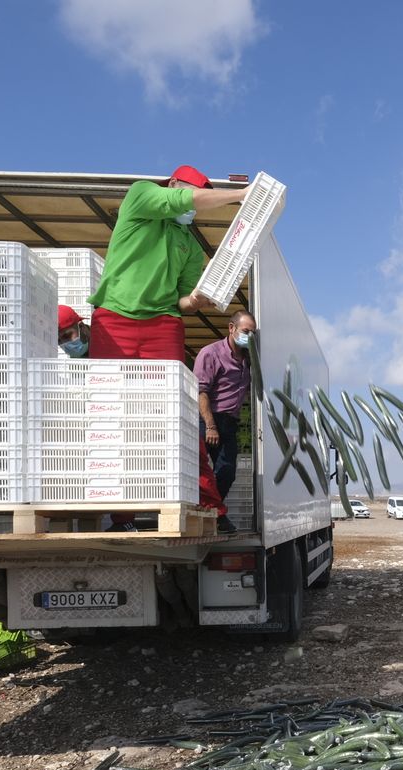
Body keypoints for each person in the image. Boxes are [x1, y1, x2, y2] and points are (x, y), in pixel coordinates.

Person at [88, 165, 242, 526]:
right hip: (114, 318)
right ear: (173, 185)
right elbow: (185, 200)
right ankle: (121, 514)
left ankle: (210, 506)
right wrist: (242, 195)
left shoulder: (190, 246)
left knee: (176, 417)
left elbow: (182, 301)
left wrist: (199, 299)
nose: (194, 208)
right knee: (111, 414)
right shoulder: (140, 195)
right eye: (192, 194)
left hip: (163, 324)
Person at [194, 311, 255, 533]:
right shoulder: (210, 354)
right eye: (246, 331)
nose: (249, 337)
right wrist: (210, 426)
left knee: (227, 471)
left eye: (253, 333)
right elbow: (201, 391)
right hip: (208, 418)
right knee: (203, 473)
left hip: (230, 422)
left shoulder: (249, 359)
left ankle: (211, 512)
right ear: (231, 328)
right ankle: (216, 515)